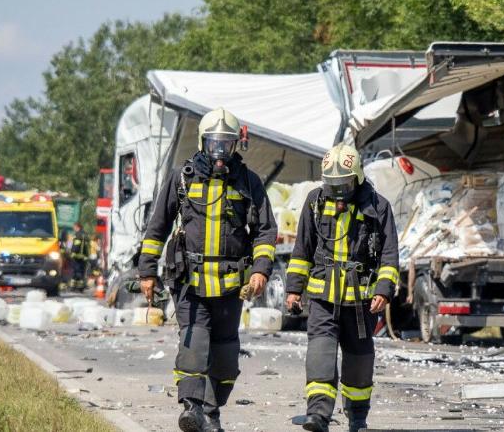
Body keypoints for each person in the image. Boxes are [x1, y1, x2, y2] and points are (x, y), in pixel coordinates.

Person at [138, 108, 278, 432]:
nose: (220, 152)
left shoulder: (248, 182)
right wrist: (147, 273)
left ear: (235, 145)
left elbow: (265, 232)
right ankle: (191, 407)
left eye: (226, 145)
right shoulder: (182, 177)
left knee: (226, 356)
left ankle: (212, 413)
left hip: (230, 287)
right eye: (214, 144)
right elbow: (156, 228)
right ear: (203, 142)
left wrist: (260, 271)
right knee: (194, 344)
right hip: (190, 284)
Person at [285, 143, 399, 432]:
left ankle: (357, 418)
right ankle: (318, 415)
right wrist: (294, 289)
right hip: (323, 298)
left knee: (359, 361)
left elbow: (389, 255)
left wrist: (383, 290)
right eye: (332, 185)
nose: (337, 192)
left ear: (357, 177)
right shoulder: (315, 202)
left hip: (361, 302)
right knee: (320, 353)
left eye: (343, 184)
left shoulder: (378, 206)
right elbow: (302, 249)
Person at [69, 222, 89, 292]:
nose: (73, 229)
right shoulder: (85, 235)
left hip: (77, 256)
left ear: (77, 227)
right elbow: (87, 247)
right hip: (84, 257)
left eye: (74, 227)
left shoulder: (77, 235)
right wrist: (86, 255)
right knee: (82, 271)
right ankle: (80, 287)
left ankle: (73, 287)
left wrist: (72, 253)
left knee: (76, 271)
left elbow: (76, 245)